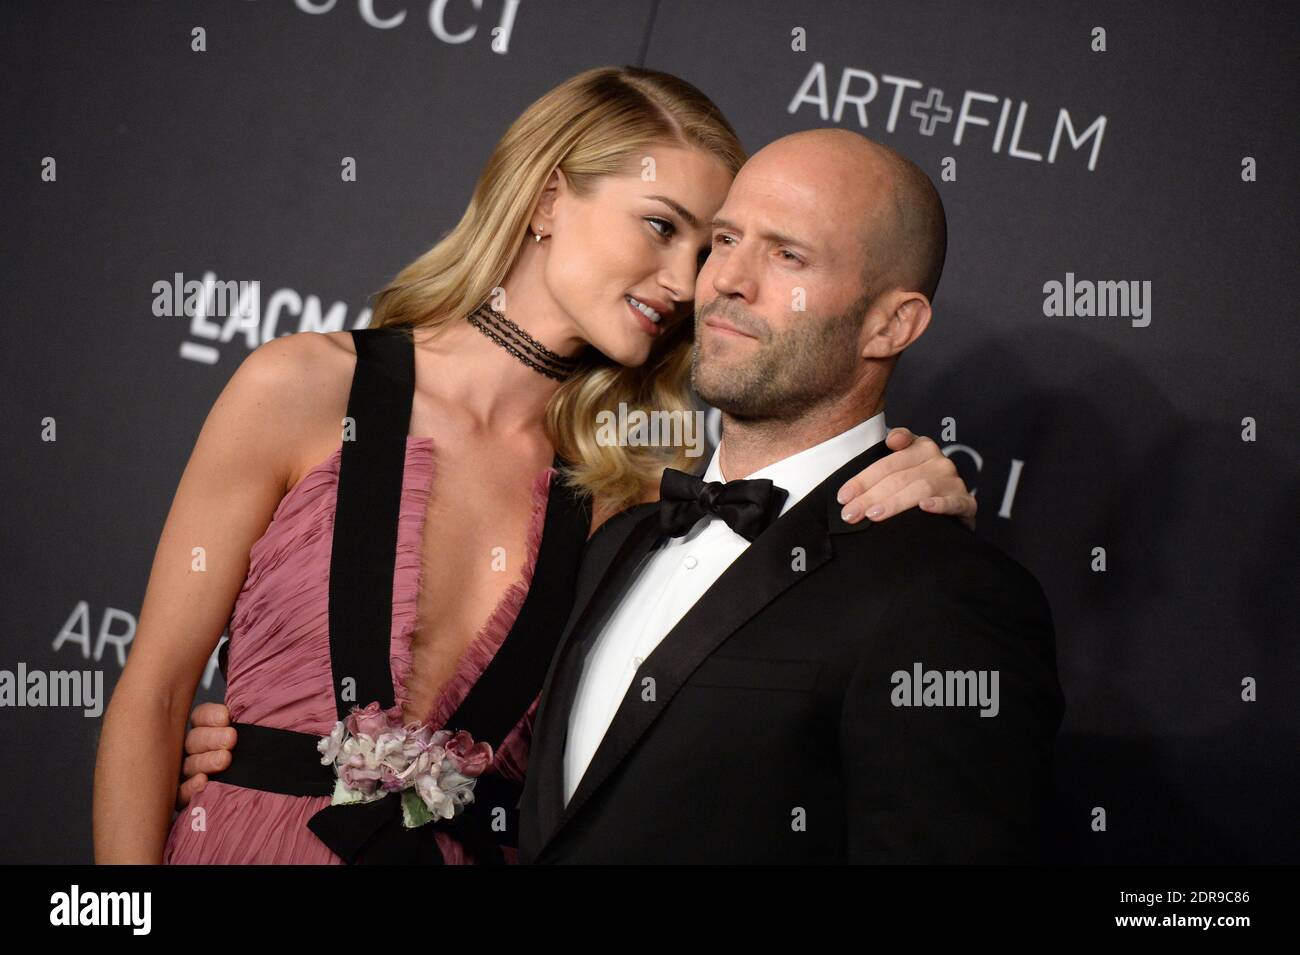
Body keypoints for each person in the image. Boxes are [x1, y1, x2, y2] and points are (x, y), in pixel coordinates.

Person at [96, 66, 975, 865]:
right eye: (662, 227)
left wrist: (921, 490)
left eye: (703, 249)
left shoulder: (636, 497)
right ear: (550, 198)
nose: (686, 280)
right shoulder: (300, 386)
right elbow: (159, 691)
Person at [514, 129, 1064, 863]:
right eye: (727, 239)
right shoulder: (619, 537)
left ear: (890, 323)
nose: (726, 280)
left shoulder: (945, 594)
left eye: (788, 255)